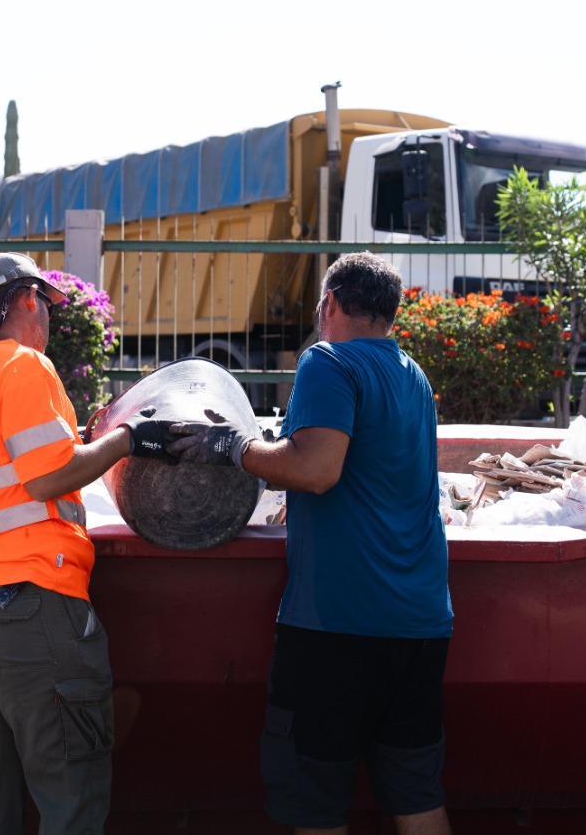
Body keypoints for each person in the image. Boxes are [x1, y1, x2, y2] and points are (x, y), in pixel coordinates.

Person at [168, 251, 454, 835]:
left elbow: (318, 469)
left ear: (330, 305)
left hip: (338, 627)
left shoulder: (328, 360)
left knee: (315, 804)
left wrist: (231, 447)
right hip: (421, 626)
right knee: (416, 798)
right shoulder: (412, 376)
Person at [0, 252, 170, 835]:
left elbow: (12, 473)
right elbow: (48, 477)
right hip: (25, 603)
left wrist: (85, 441)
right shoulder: (25, 365)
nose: (51, 321)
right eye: (49, 307)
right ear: (29, 299)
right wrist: (129, 440)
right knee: (71, 793)